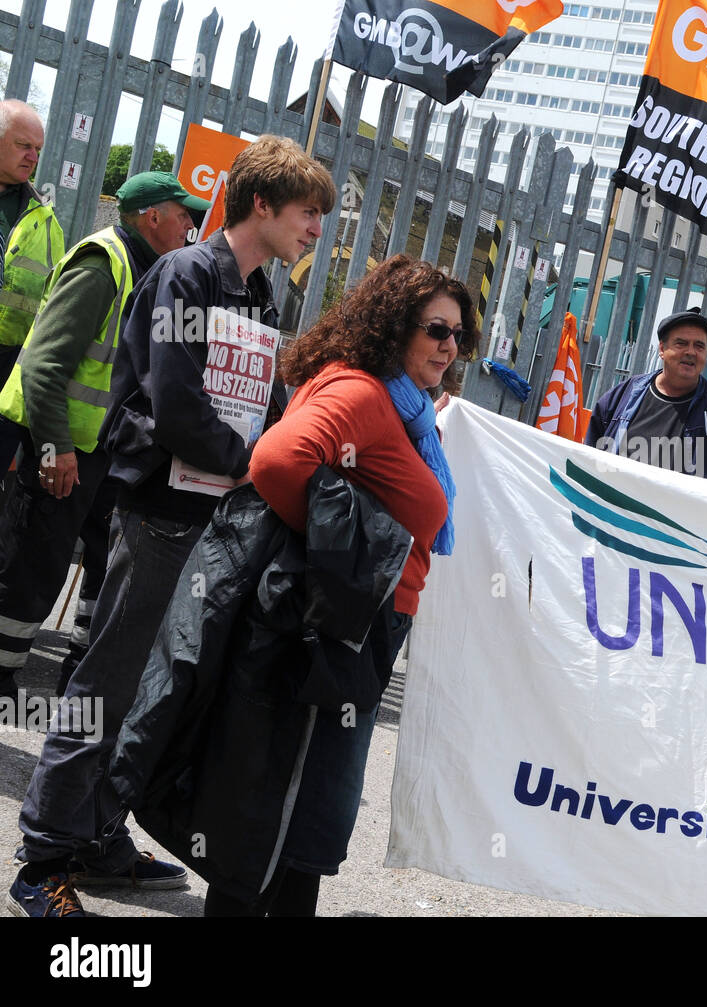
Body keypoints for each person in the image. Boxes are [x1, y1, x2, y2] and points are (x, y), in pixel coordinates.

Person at [8, 135, 334, 918]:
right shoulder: (186, 275)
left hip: (215, 520)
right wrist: (260, 464)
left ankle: (99, 834)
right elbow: (179, 408)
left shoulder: (261, 295)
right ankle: (43, 860)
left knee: (160, 696)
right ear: (262, 203)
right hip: (159, 516)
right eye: (307, 211)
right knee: (110, 684)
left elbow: (265, 403)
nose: (316, 229)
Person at [195, 255, 473, 915]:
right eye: (436, 329)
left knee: (305, 798)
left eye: (459, 334)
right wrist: (341, 559)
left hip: (355, 623)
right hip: (341, 625)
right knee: (297, 796)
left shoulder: (403, 406)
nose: (450, 346)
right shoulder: (364, 393)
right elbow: (277, 461)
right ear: (393, 325)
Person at [0, 172, 209, 701]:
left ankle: (77, 688)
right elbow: (43, 367)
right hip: (66, 452)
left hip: (109, 454)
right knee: (34, 571)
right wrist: (56, 448)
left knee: (103, 572)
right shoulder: (101, 264)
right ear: (152, 217)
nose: (190, 224)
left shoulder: (154, 270)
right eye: (182, 214)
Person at [585, 307, 707, 480]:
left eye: (699, 346)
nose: (691, 352)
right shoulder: (625, 395)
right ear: (662, 349)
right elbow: (591, 455)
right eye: (681, 343)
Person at [0, 100, 64, 475]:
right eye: (24, 145)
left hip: (8, 366)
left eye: (37, 149)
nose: (33, 157)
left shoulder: (44, 218)